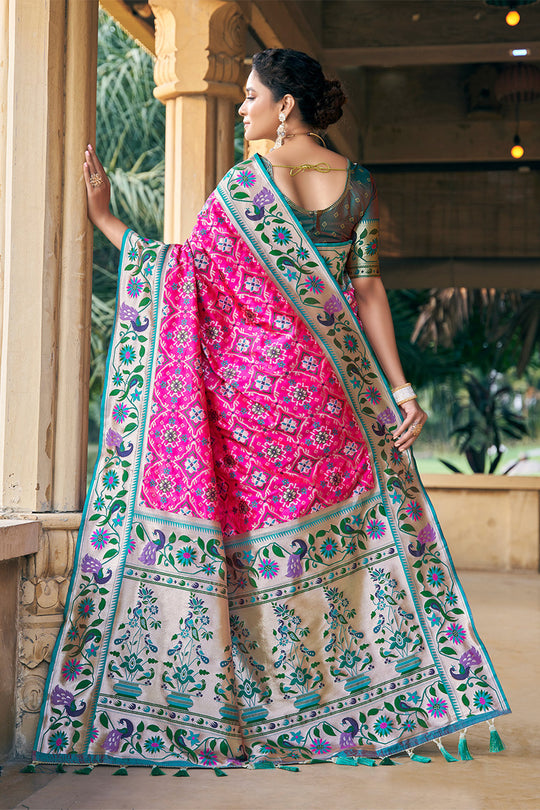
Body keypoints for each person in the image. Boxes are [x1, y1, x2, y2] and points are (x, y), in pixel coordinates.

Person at [34, 48, 508, 771]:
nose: (241, 107)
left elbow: (182, 277)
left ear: (286, 104)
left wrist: (105, 219)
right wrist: (401, 390)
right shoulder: (356, 186)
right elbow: (369, 290)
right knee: (337, 551)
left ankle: (267, 706)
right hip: (329, 401)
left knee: (258, 552)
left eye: (251, 96)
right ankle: (353, 702)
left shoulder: (244, 186)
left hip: (254, 403)